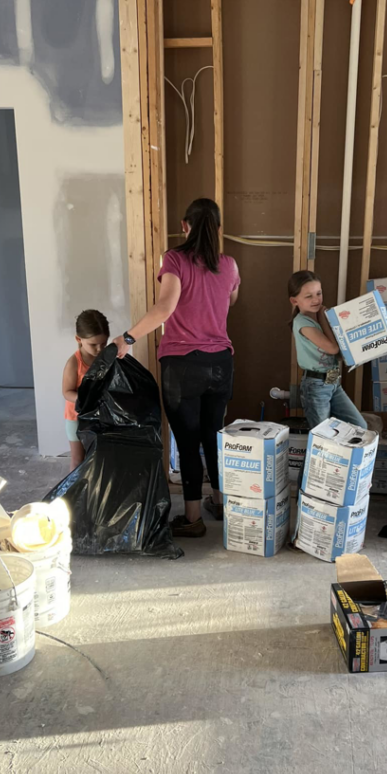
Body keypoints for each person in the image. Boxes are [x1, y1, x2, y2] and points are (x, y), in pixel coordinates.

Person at [113, 199, 240, 538]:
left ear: (185, 225)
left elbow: (165, 307)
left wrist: (128, 337)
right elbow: (231, 299)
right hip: (221, 363)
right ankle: (220, 501)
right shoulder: (229, 265)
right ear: (217, 228)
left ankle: (193, 518)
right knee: (214, 435)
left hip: (183, 366)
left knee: (187, 442)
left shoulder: (175, 259)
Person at [288, 270, 365, 430]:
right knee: (322, 436)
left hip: (333, 381)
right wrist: (324, 318)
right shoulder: (302, 323)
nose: (316, 299)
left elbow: (339, 352)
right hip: (316, 385)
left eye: (318, 293)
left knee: (359, 426)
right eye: (308, 296)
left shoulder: (320, 317)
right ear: (294, 301)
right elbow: (333, 347)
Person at [62, 309, 110, 471]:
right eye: (93, 344)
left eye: (103, 344)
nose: (99, 349)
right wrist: (87, 399)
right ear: (79, 339)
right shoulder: (74, 363)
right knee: (78, 460)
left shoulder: (106, 359)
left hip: (100, 417)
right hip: (76, 419)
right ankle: (73, 496)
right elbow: (67, 392)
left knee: (98, 458)